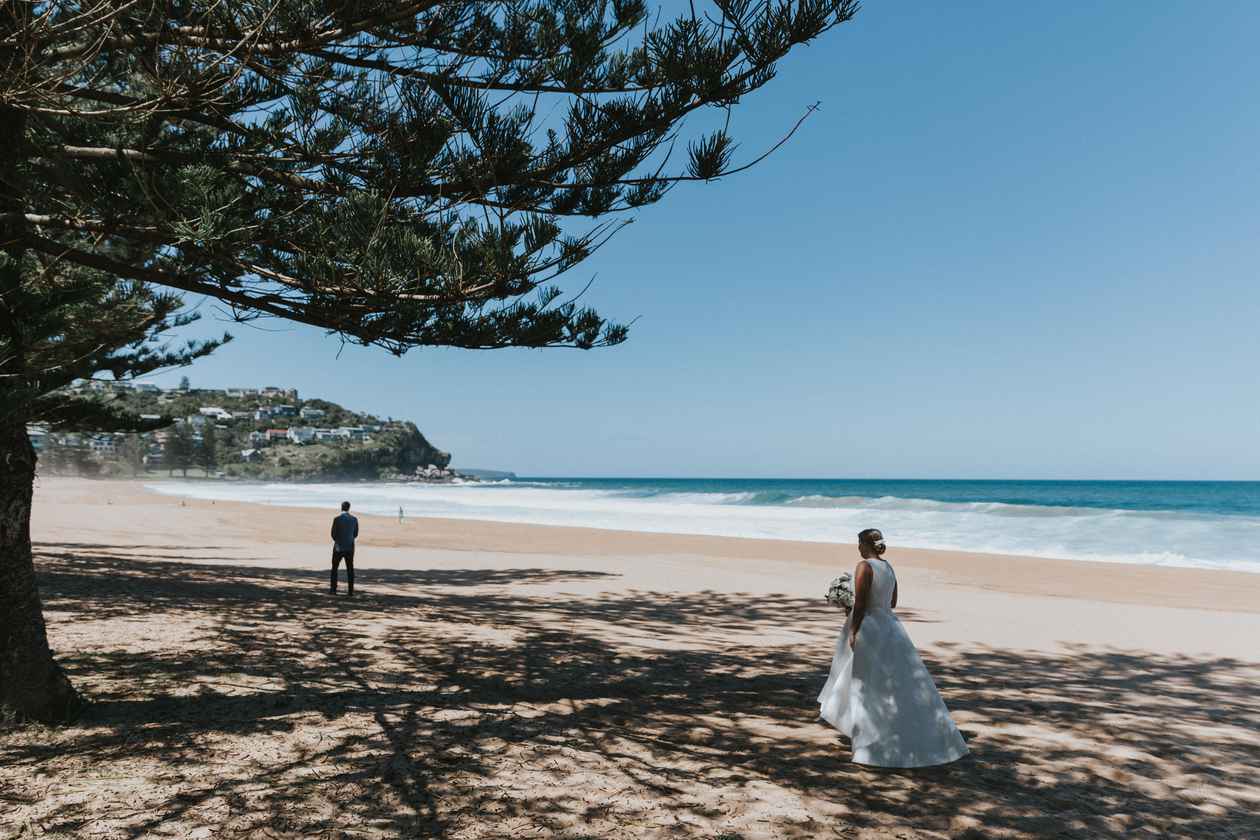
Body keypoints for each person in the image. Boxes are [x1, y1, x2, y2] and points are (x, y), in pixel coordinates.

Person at [817, 528, 968, 767]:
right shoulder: (888, 567)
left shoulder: (864, 566)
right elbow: (893, 602)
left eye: (859, 543)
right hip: (890, 625)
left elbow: (862, 603)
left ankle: (868, 740)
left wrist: (854, 628)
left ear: (864, 544)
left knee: (864, 683)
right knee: (893, 681)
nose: (857, 547)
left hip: (869, 627)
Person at [330, 501, 359, 596]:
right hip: (350, 547)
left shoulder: (337, 519)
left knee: (334, 568)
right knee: (350, 569)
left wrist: (339, 539)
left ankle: (333, 590)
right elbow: (355, 534)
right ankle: (350, 591)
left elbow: (333, 534)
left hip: (338, 546)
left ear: (341, 508)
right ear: (349, 508)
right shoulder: (354, 519)